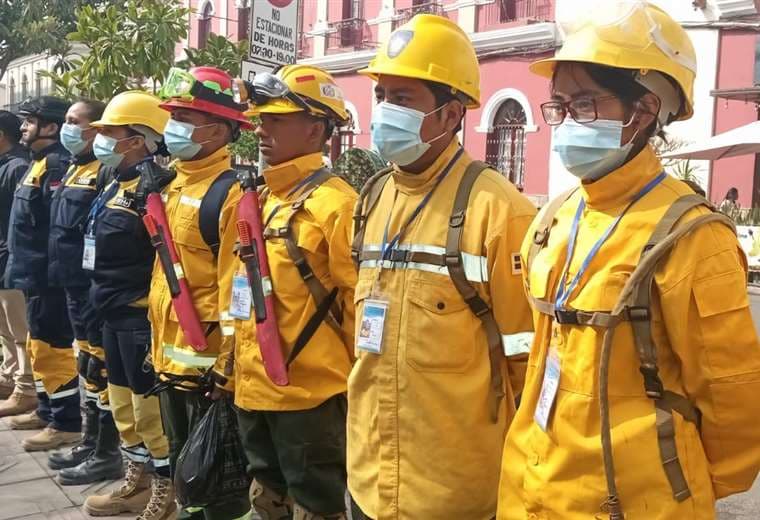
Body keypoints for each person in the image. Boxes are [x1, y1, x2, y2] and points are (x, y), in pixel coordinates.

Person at [497, 3, 760, 519]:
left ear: (642, 110)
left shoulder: (691, 236)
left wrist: (680, 483)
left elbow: (732, 393)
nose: (567, 121)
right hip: (531, 486)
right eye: (561, 106)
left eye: (585, 105)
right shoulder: (556, 215)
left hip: (636, 499)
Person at [349, 14, 536, 519]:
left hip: (452, 489)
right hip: (366, 477)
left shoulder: (497, 209)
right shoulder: (372, 198)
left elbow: (528, 360)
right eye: (382, 94)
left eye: (403, 99)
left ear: (452, 115)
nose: (385, 111)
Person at [221, 64, 357, 520]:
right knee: (266, 497)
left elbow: (357, 304)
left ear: (316, 128)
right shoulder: (258, 198)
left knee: (316, 504)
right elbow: (235, 290)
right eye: (261, 119)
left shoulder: (335, 205)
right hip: (251, 388)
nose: (262, 130)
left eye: (276, 120)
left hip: (309, 399)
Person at [149, 66, 253, 520]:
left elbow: (238, 292)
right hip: (167, 360)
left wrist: (227, 368)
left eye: (185, 118)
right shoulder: (171, 185)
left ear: (217, 131)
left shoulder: (228, 195)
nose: (173, 128)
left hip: (206, 371)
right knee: (182, 468)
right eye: (174, 115)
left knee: (216, 478)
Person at [81, 91, 173, 520]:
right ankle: (136, 482)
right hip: (110, 313)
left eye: (109, 133)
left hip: (138, 318)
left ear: (136, 139)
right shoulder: (116, 182)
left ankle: (165, 491)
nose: (100, 141)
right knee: (121, 404)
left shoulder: (158, 188)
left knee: (148, 410)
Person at [46, 98, 124, 485]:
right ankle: (91, 443)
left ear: (97, 129)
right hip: (73, 287)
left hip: (94, 288)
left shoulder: (107, 172)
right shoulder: (77, 167)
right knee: (88, 366)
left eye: (74, 122)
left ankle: (107, 454)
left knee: (102, 366)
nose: (67, 128)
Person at [4, 96, 82, 451]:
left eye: (30, 121)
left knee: (55, 349)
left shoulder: (55, 166)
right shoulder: (37, 164)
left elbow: (56, 229)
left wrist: (51, 276)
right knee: (39, 346)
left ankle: (64, 421)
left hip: (48, 278)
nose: (24, 128)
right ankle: (47, 409)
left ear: (50, 128)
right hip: (33, 276)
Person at [0, 110, 34, 416]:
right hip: (2, 261)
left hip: (12, 260)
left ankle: (26, 387)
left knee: (20, 329)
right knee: (5, 329)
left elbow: (20, 222)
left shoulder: (17, 167)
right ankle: (9, 377)